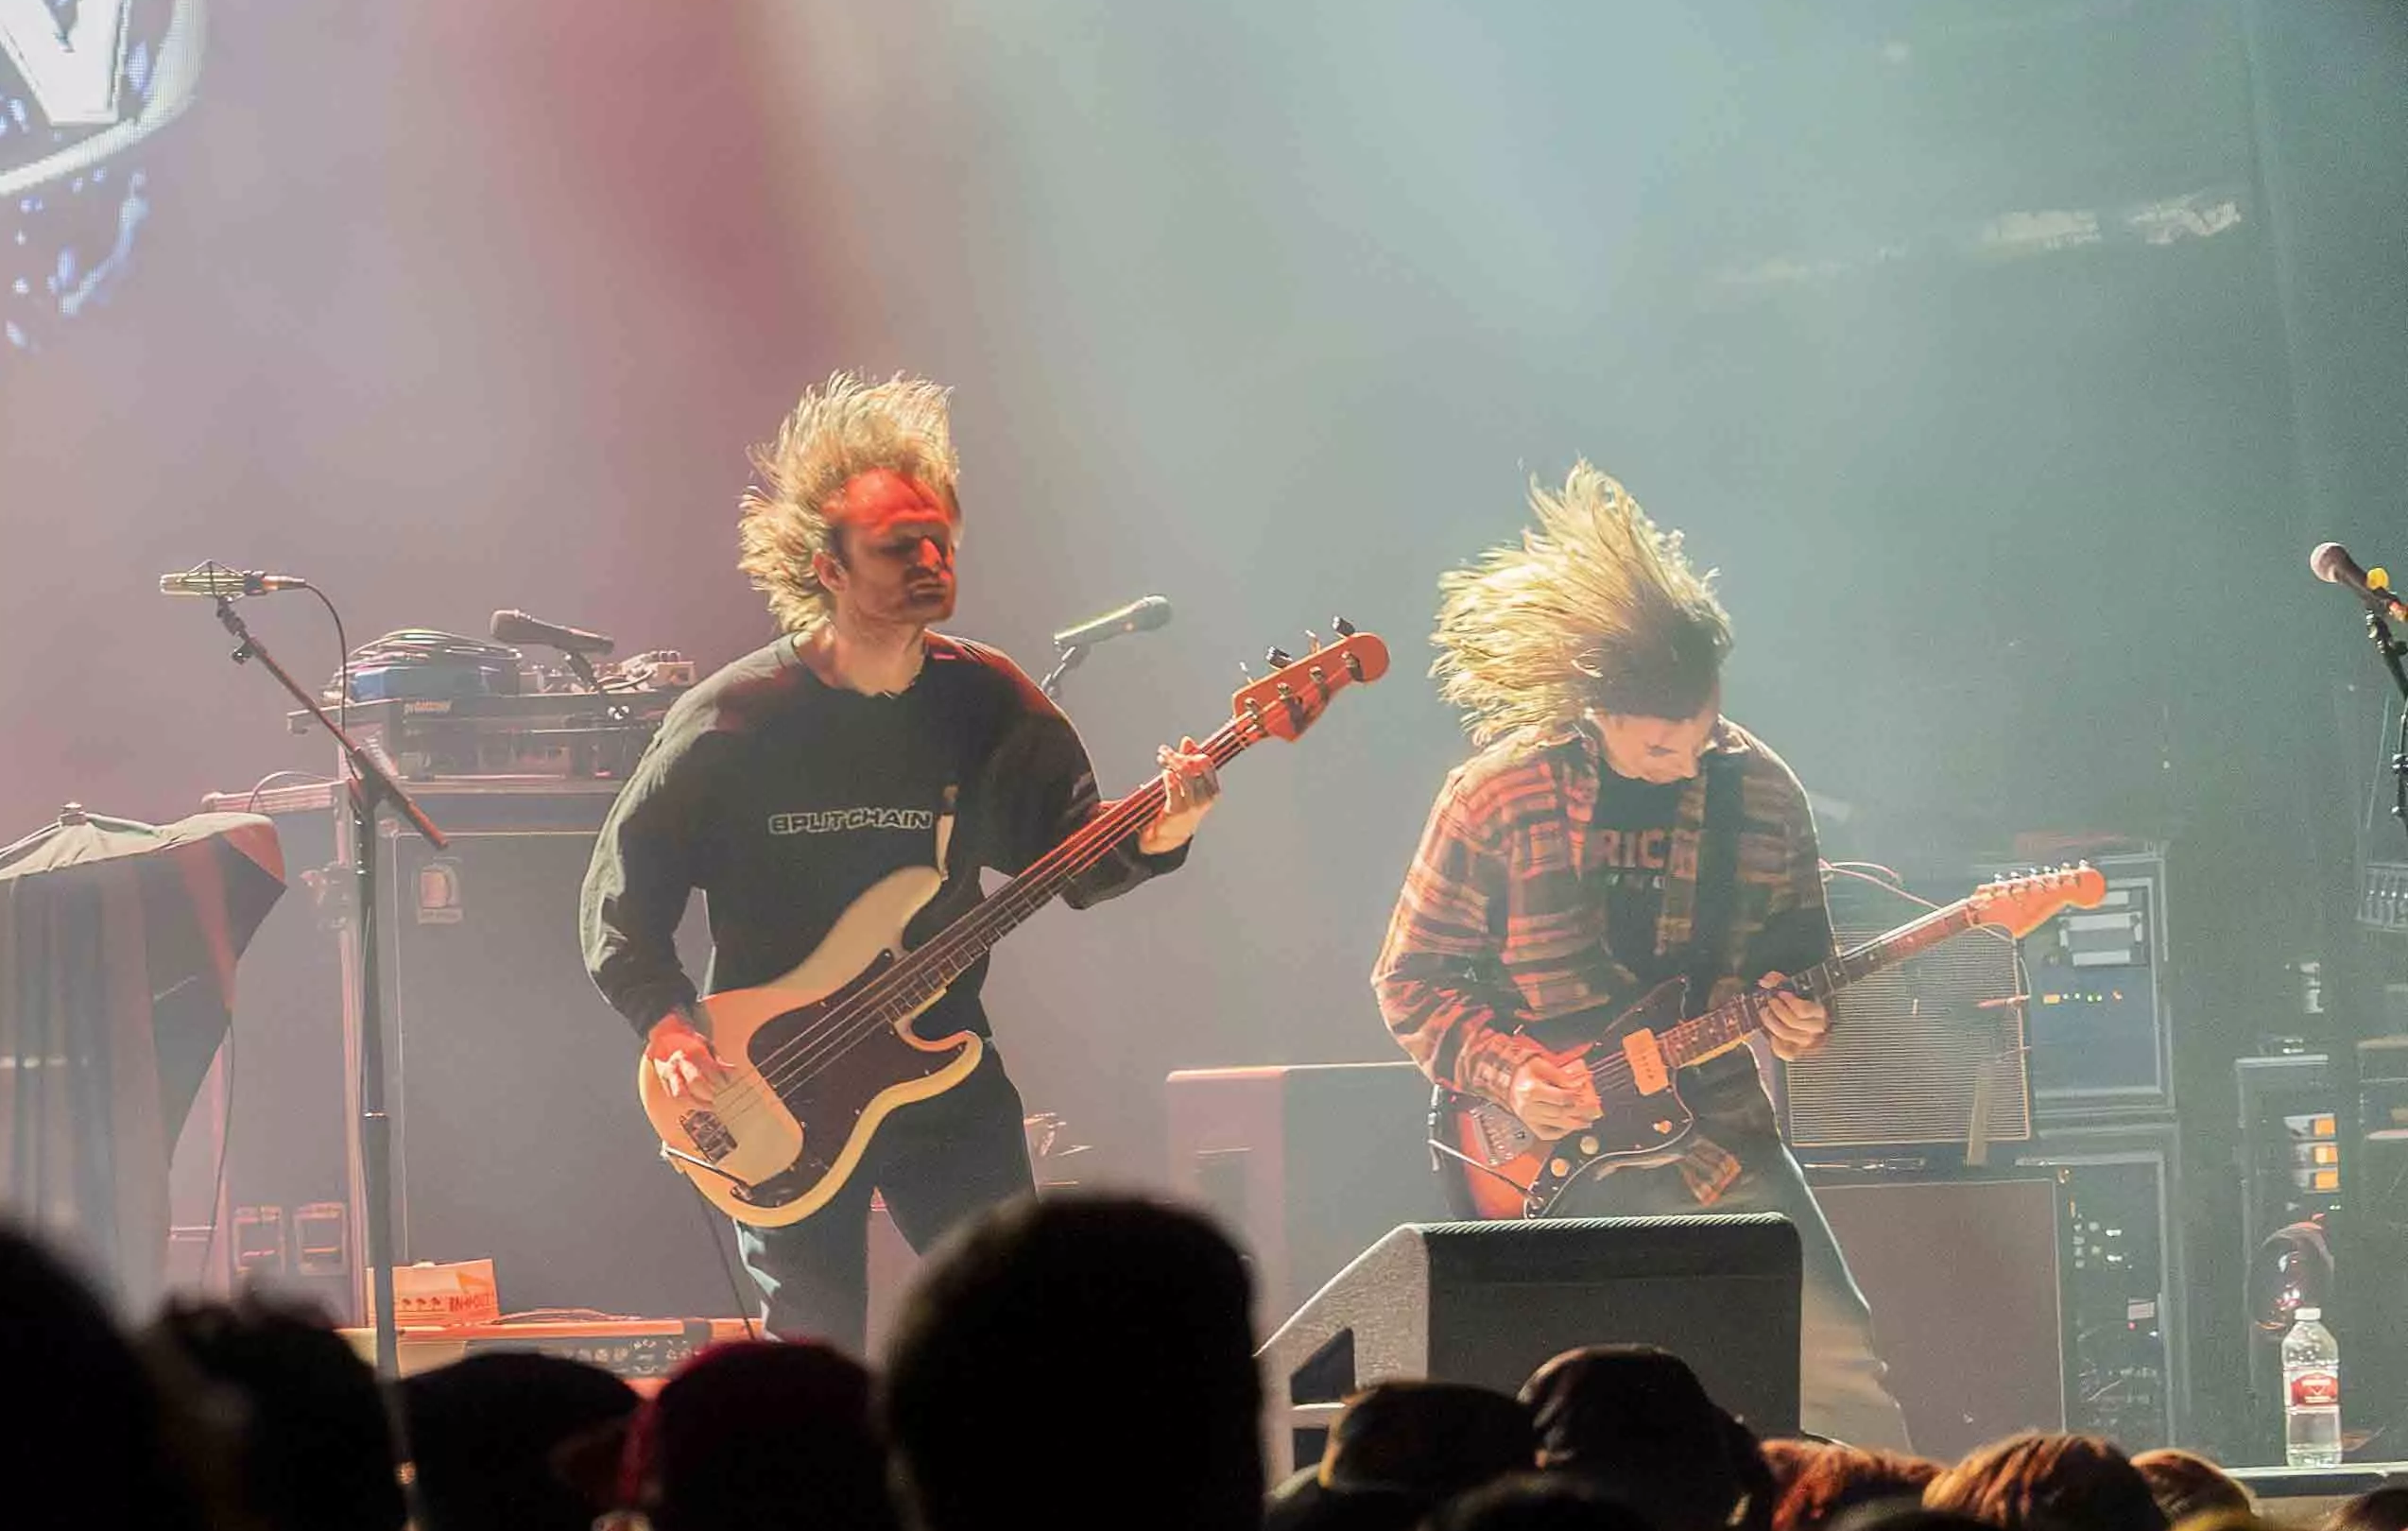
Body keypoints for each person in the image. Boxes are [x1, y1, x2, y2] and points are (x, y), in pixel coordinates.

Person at [579, 375, 1217, 1349]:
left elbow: (1071, 858)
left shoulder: (985, 701)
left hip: (940, 1068)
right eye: (895, 545)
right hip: (771, 1081)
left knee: (1018, 1328)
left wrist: (1164, 827)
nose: (929, 559)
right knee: (812, 1344)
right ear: (823, 566)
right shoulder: (731, 718)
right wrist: (664, 1023)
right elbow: (621, 898)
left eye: (939, 540)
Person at [1373, 467, 1892, 1438]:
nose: (1687, 760)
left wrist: (1802, 1019)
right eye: (1659, 747)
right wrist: (1514, 1073)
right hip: (1538, 1154)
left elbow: (1800, 966)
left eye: (1700, 735)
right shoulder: (1495, 794)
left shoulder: (1761, 791)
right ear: (1595, 713)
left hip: (1714, 1130)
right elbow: (1408, 981)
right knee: (1552, 1415)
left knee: (1835, 1372)